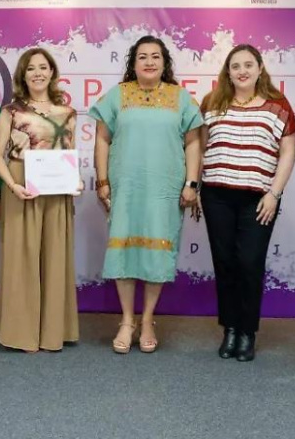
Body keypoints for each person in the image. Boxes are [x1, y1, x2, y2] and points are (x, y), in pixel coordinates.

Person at [89, 35, 203, 354]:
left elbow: (194, 143)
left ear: (165, 63)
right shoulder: (118, 95)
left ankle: (149, 319)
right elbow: (102, 140)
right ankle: (127, 321)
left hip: (164, 190)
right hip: (126, 187)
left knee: (157, 253)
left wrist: (192, 183)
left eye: (155, 56)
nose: (149, 62)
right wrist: (102, 180)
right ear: (133, 63)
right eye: (142, 56)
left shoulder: (181, 98)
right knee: (123, 251)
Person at [199, 44, 295, 362]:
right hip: (217, 196)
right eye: (236, 66)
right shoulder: (212, 103)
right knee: (225, 262)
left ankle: (247, 332)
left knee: (250, 263)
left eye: (248, 65)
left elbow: (288, 152)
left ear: (259, 68)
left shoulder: (278, 105)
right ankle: (230, 329)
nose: (242, 71)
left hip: (259, 199)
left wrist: (274, 194)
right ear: (228, 72)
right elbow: (201, 148)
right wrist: (195, 186)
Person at [0, 48, 80, 352]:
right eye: (31, 68)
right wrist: (12, 185)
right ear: (23, 74)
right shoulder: (11, 111)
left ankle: (54, 331)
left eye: (43, 67)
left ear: (52, 72)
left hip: (57, 190)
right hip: (21, 185)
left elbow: (69, 153)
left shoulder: (68, 113)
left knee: (55, 257)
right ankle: (21, 333)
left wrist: (76, 181)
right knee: (22, 258)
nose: (38, 73)